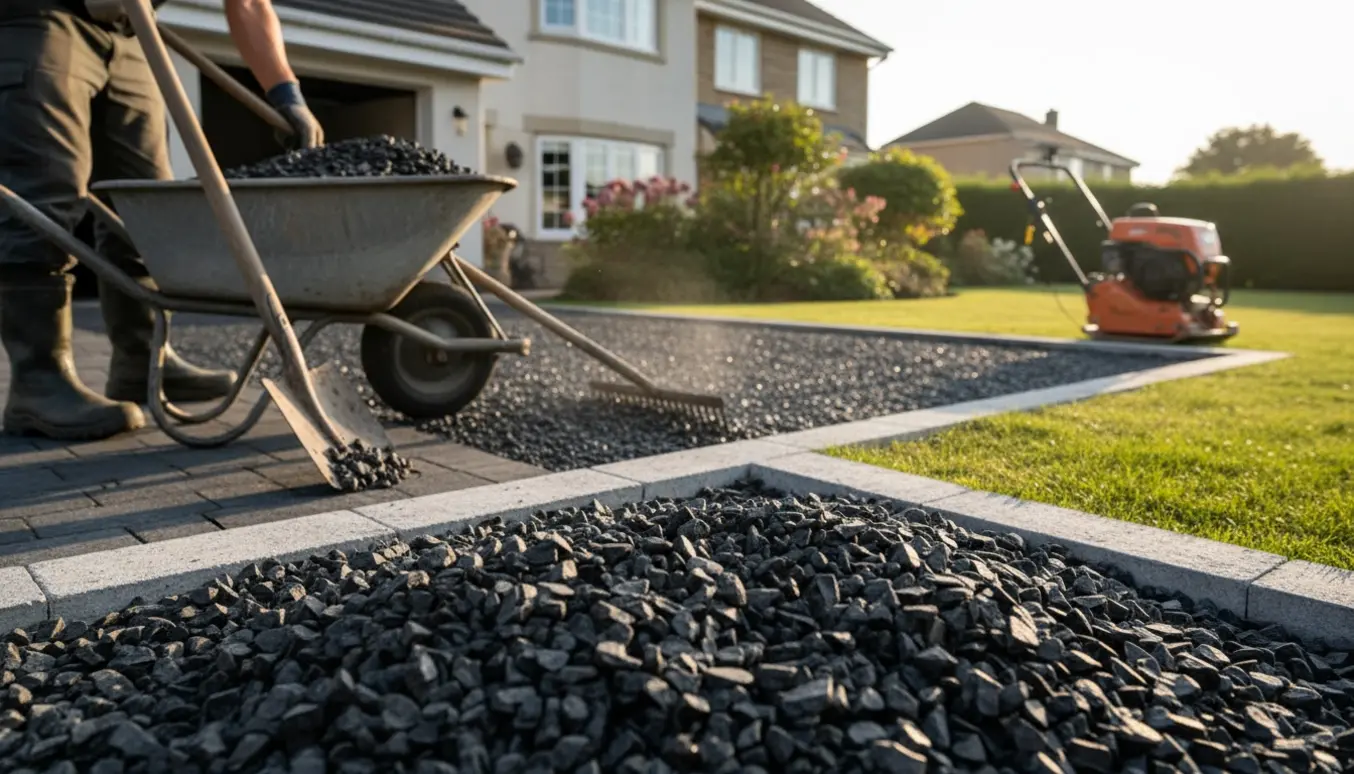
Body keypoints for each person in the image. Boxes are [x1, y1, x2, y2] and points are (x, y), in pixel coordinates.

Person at [0, 0, 323, 440]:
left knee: (145, 206)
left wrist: (287, 94)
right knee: (47, 191)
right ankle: (39, 381)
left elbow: (247, 2)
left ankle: (143, 359)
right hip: (45, 14)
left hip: (129, 29)